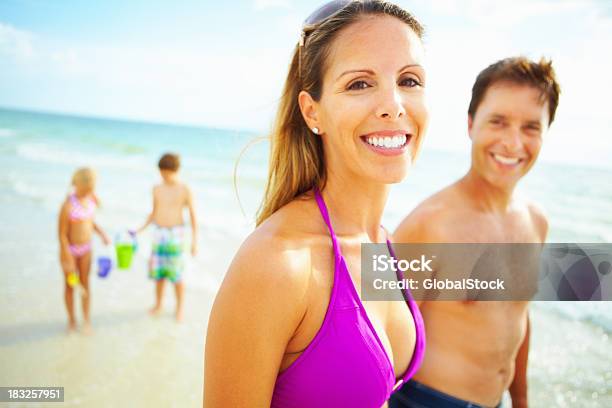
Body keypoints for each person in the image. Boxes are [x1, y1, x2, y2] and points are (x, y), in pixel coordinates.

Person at [204, 1, 429, 406]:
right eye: (360, 84)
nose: (394, 103)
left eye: (410, 80)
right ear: (313, 112)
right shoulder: (278, 262)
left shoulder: (384, 244)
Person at [389, 57, 561, 408]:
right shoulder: (429, 223)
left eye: (531, 127)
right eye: (498, 122)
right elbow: (377, 346)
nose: (513, 142)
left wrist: (522, 399)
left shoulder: (536, 221)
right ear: (471, 124)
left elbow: (518, 317)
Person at [135, 153, 198, 322]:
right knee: (159, 274)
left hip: (176, 235)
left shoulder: (184, 189)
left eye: (166, 172)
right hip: (159, 233)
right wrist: (139, 230)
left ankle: (179, 309)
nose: (163, 175)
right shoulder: (156, 188)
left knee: (177, 275)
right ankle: (158, 304)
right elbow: (153, 212)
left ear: (175, 170)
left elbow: (192, 215)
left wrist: (194, 242)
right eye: (161, 172)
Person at [58, 167, 110, 334]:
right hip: (70, 251)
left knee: (85, 284)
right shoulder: (67, 206)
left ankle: (86, 320)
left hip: (86, 250)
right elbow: (62, 234)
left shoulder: (91, 201)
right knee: (70, 285)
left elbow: (90, 223)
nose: (91, 190)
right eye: (89, 187)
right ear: (79, 185)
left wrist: (102, 234)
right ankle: (72, 320)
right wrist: (67, 256)